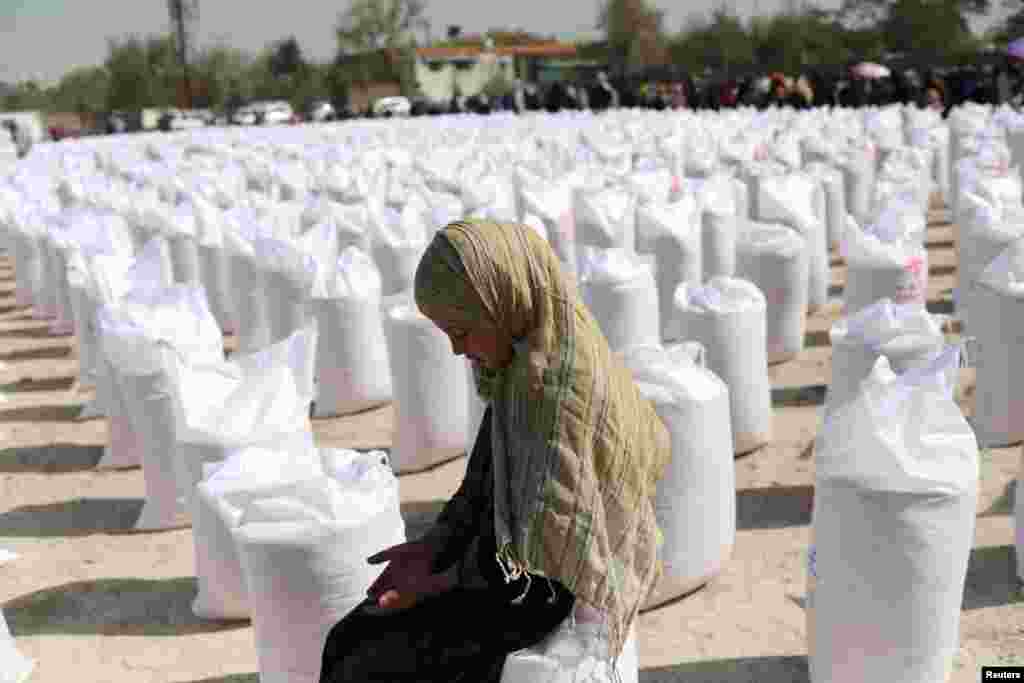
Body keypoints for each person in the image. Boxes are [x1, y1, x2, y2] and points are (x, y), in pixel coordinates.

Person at [319, 219, 671, 682]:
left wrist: (440, 582)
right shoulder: (524, 372)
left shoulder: (556, 396)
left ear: (503, 302)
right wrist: (433, 547)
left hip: (542, 590)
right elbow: (482, 486)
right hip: (507, 566)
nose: (455, 348)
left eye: (463, 330)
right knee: (353, 638)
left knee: (367, 658)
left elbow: (540, 564)